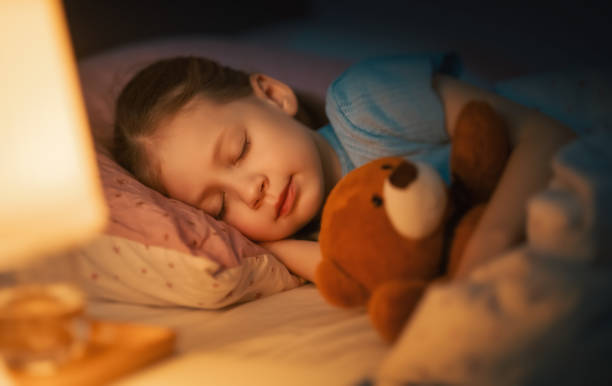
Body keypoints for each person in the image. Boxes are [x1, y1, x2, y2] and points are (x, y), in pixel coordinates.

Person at [113, 54, 575, 283]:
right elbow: (354, 267)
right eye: (218, 206)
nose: (250, 191)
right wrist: (274, 247)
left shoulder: (365, 104)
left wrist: (490, 244)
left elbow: (548, 135)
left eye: (240, 150)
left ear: (274, 96)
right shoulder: (317, 233)